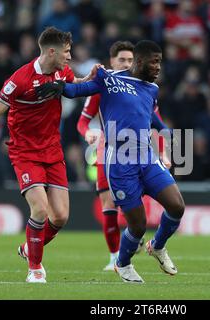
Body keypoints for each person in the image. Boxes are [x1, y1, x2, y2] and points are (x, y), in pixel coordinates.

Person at [36, 40, 185, 283]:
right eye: (155, 61)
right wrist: (59, 86)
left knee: (177, 206)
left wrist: (168, 136)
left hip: (146, 157)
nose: (158, 67)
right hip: (120, 161)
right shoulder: (109, 78)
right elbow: (78, 91)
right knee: (137, 225)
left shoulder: (152, 89)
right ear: (139, 61)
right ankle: (122, 264)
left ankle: (157, 246)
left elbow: (151, 120)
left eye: (160, 62)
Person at [0, 27, 98, 283]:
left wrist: (89, 78)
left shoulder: (62, 71)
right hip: (25, 152)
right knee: (40, 209)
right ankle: (35, 268)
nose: (69, 57)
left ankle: (29, 248)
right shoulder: (20, 79)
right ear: (51, 51)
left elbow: (75, 85)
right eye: (66, 52)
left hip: (52, 149)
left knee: (60, 216)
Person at [76, 40, 169, 271]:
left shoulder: (143, 88)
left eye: (130, 60)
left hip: (139, 154)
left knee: (138, 205)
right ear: (111, 62)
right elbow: (82, 121)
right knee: (108, 203)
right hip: (107, 151)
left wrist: (164, 153)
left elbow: (154, 124)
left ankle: (135, 241)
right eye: (122, 60)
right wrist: (87, 133)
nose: (127, 64)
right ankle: (114, 256)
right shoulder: (105, 84)